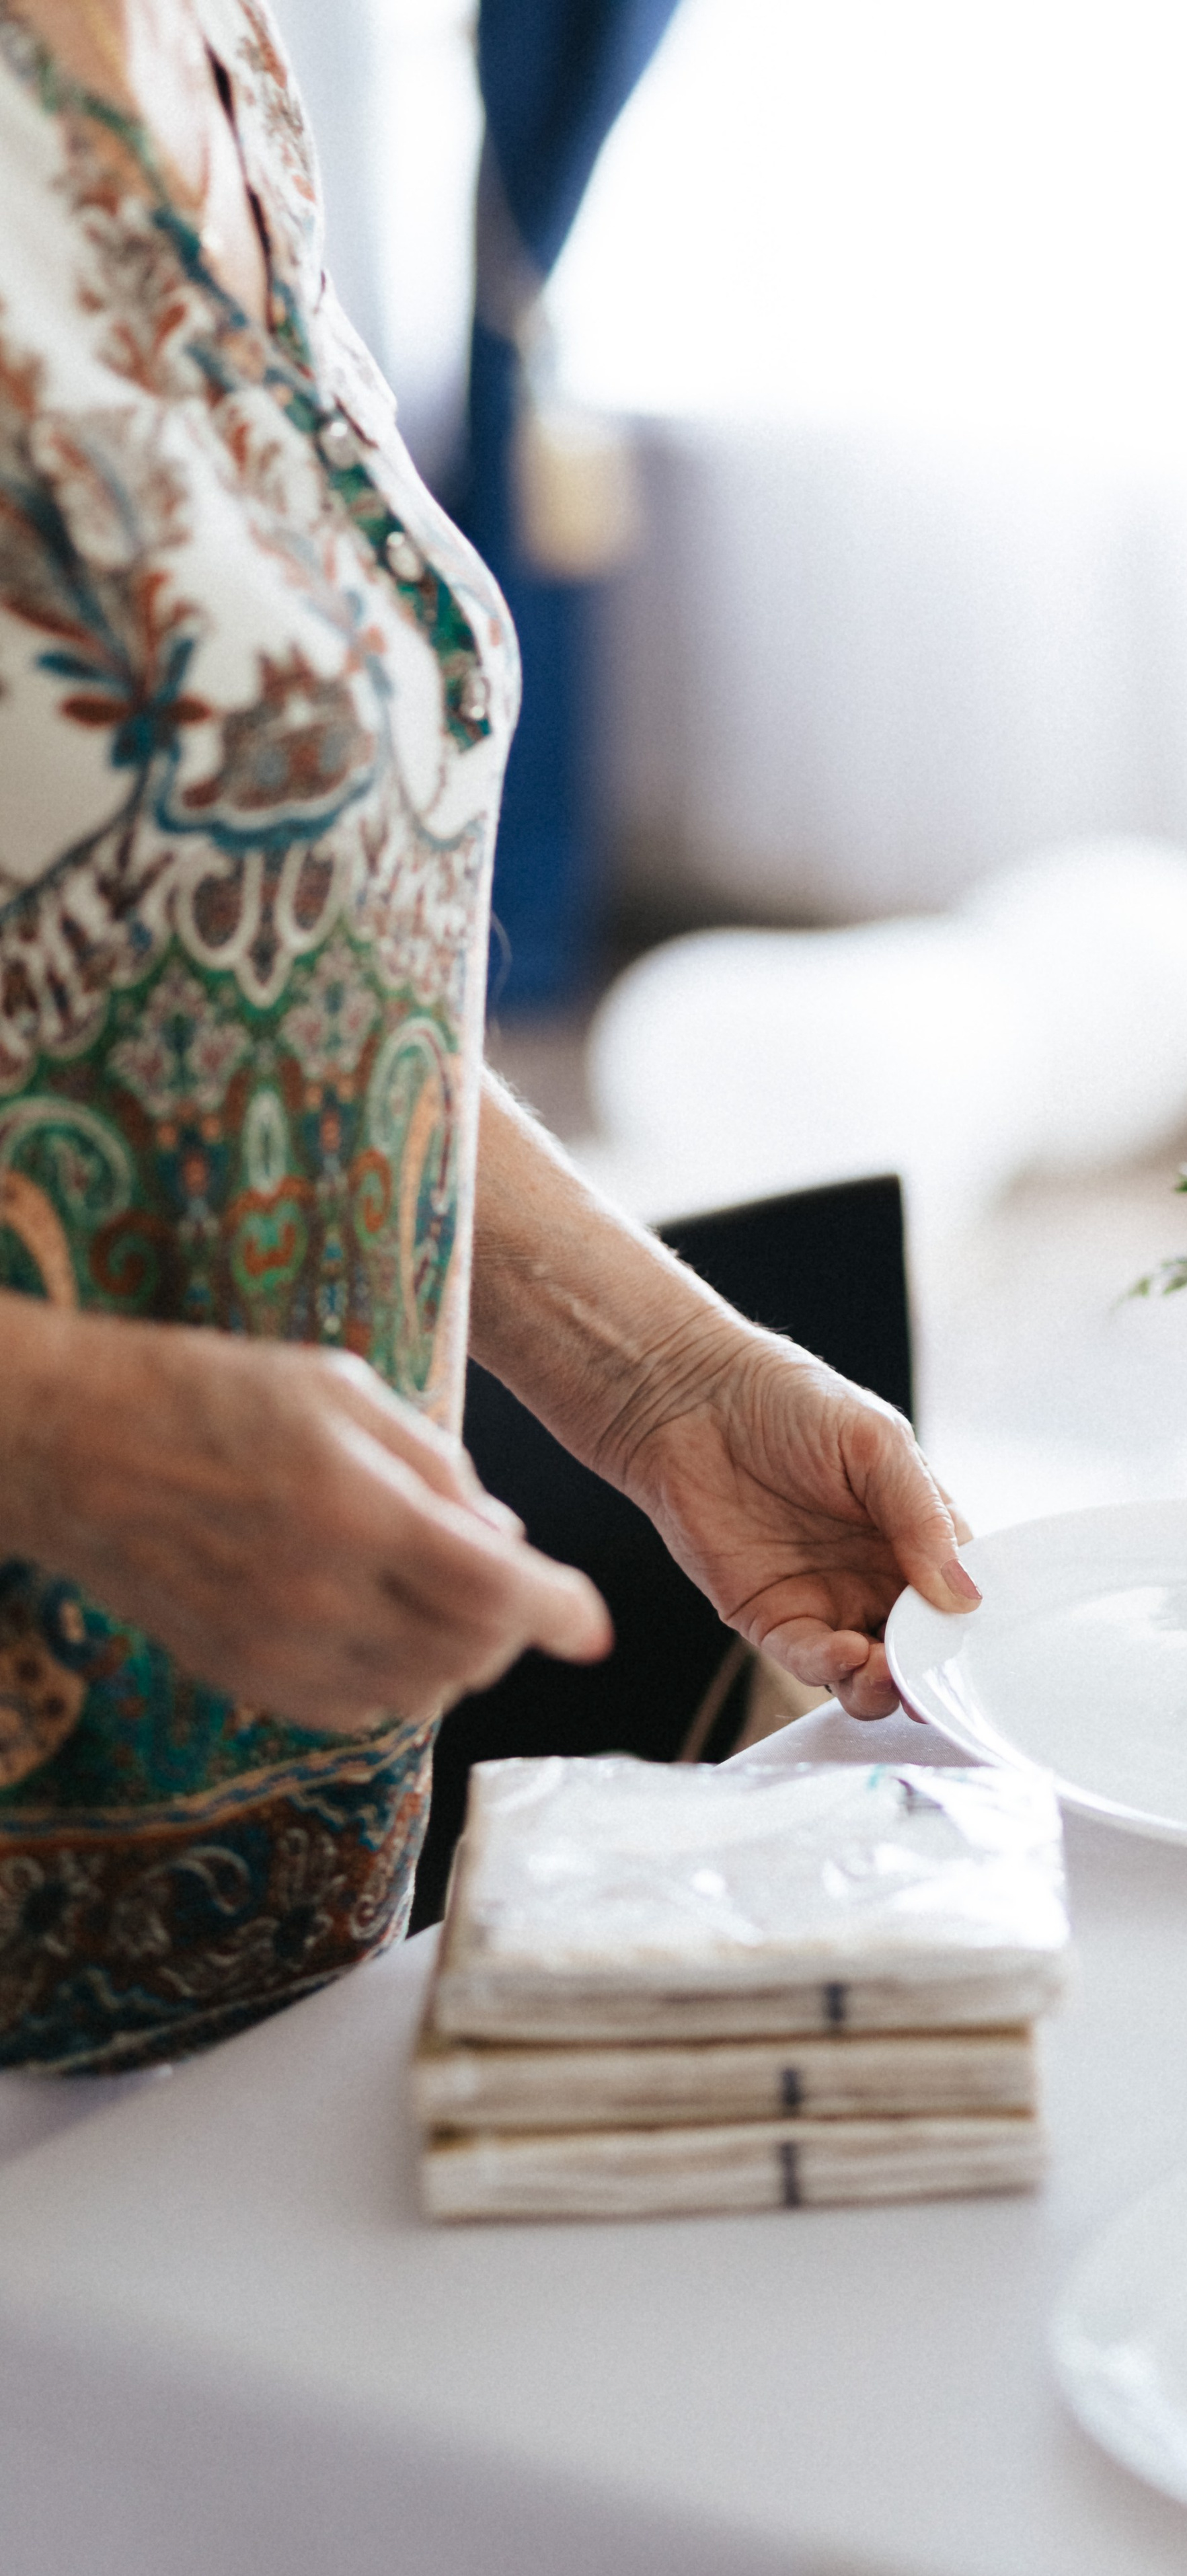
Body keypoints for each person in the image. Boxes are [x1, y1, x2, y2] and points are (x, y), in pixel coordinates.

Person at [0, 0, 979, 2075]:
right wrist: (64, 1436)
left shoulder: (214, 47)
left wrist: (658, 1374)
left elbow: (227, 940)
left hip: (282, 1915)